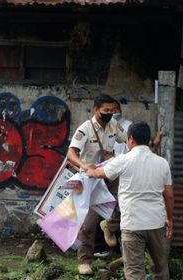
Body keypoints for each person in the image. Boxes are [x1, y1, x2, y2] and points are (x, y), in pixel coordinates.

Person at [86, 121, 174, 280]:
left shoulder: (123, 160)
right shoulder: (162, 163)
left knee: (134, 272)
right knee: (160, 268)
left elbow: (99, 173)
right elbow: (169, 195)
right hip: (156, 223)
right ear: (148, 140)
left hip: (132, 225)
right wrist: (169, 219)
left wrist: (90, 170)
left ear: (131, 139)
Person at [67, 94, 125, 275]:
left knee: (126, 206)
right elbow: (71, 153)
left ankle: (116, 238)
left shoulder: (115, 126)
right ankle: (85, 262)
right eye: (106, 111)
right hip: (91, 179)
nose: (109, 114)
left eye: (112, 111)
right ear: (96, 110)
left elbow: (128, 141)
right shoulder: (85, 129)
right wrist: (83, 165)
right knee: (89, 222)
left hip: (110, 174)